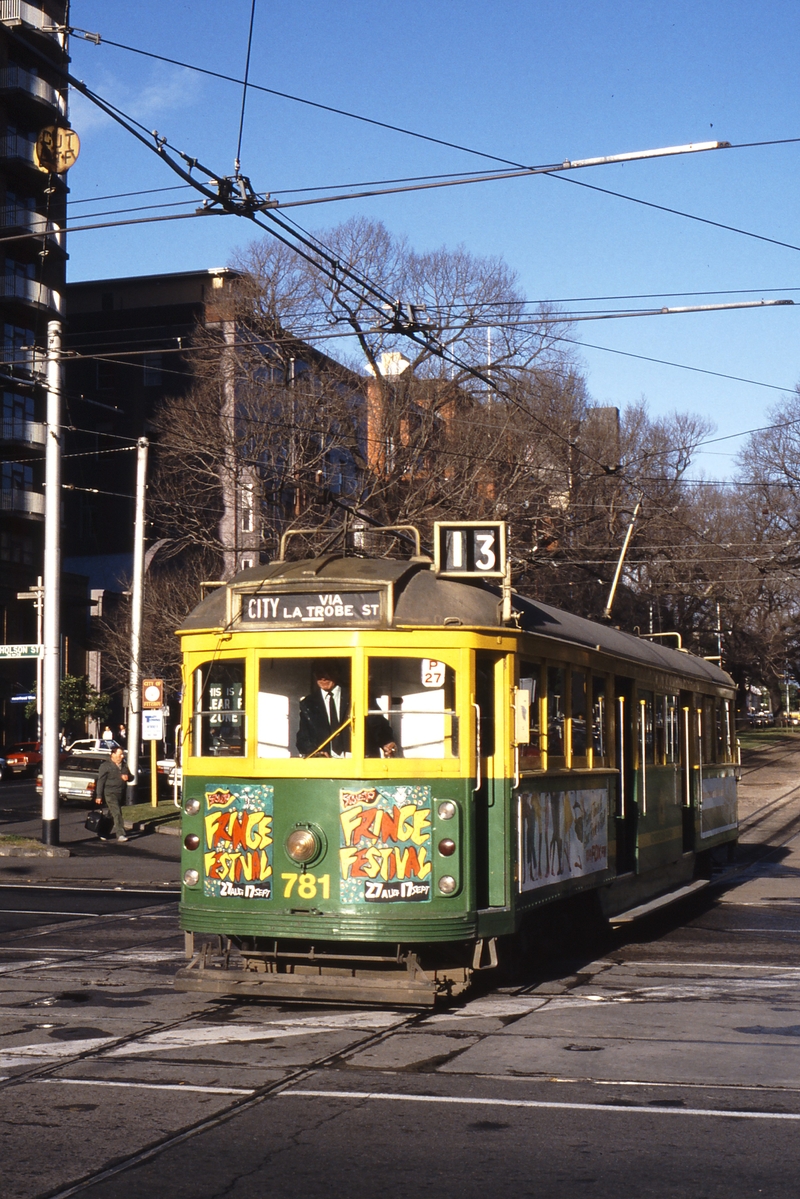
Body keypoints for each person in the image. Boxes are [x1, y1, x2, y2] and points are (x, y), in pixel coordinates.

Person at [296, 660, 397, 758]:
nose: (323, 677)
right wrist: (315, 753)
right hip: (326, 766)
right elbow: (302, 739)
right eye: (319, 673)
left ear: (337, 672)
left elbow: (377, 723)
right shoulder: (308, 703)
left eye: (328, 671)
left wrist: (387, 742)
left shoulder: (357, 695)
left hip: (358, 761)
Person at [95, 747, 130, 842]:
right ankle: (121, 834)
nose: (122, 756)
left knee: (111, 813)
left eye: (122, 754)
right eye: (120, 754)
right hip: (110, 793)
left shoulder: (123, 765)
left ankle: (103, 832)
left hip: (120, 792)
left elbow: (129, 776)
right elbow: (101, 781)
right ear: (113, 754)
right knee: (117, 812)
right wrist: (99, 796)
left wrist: (128, 777)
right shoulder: (105, 766)